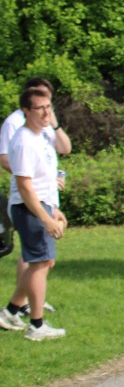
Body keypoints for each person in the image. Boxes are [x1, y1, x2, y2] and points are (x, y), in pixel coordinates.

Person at [0, 79, 70, 333]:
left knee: (42, 262)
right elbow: (26, 187)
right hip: (29, 208)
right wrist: (46, 218)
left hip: (41, 204)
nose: (46, 112)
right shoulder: (24, 141)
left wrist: (53, 208)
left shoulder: (41, 136)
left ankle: (10, 312)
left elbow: (44, 178)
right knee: (40, 263)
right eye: (39, 108)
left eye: (48, 106)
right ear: (26, 112)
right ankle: (37, 326)